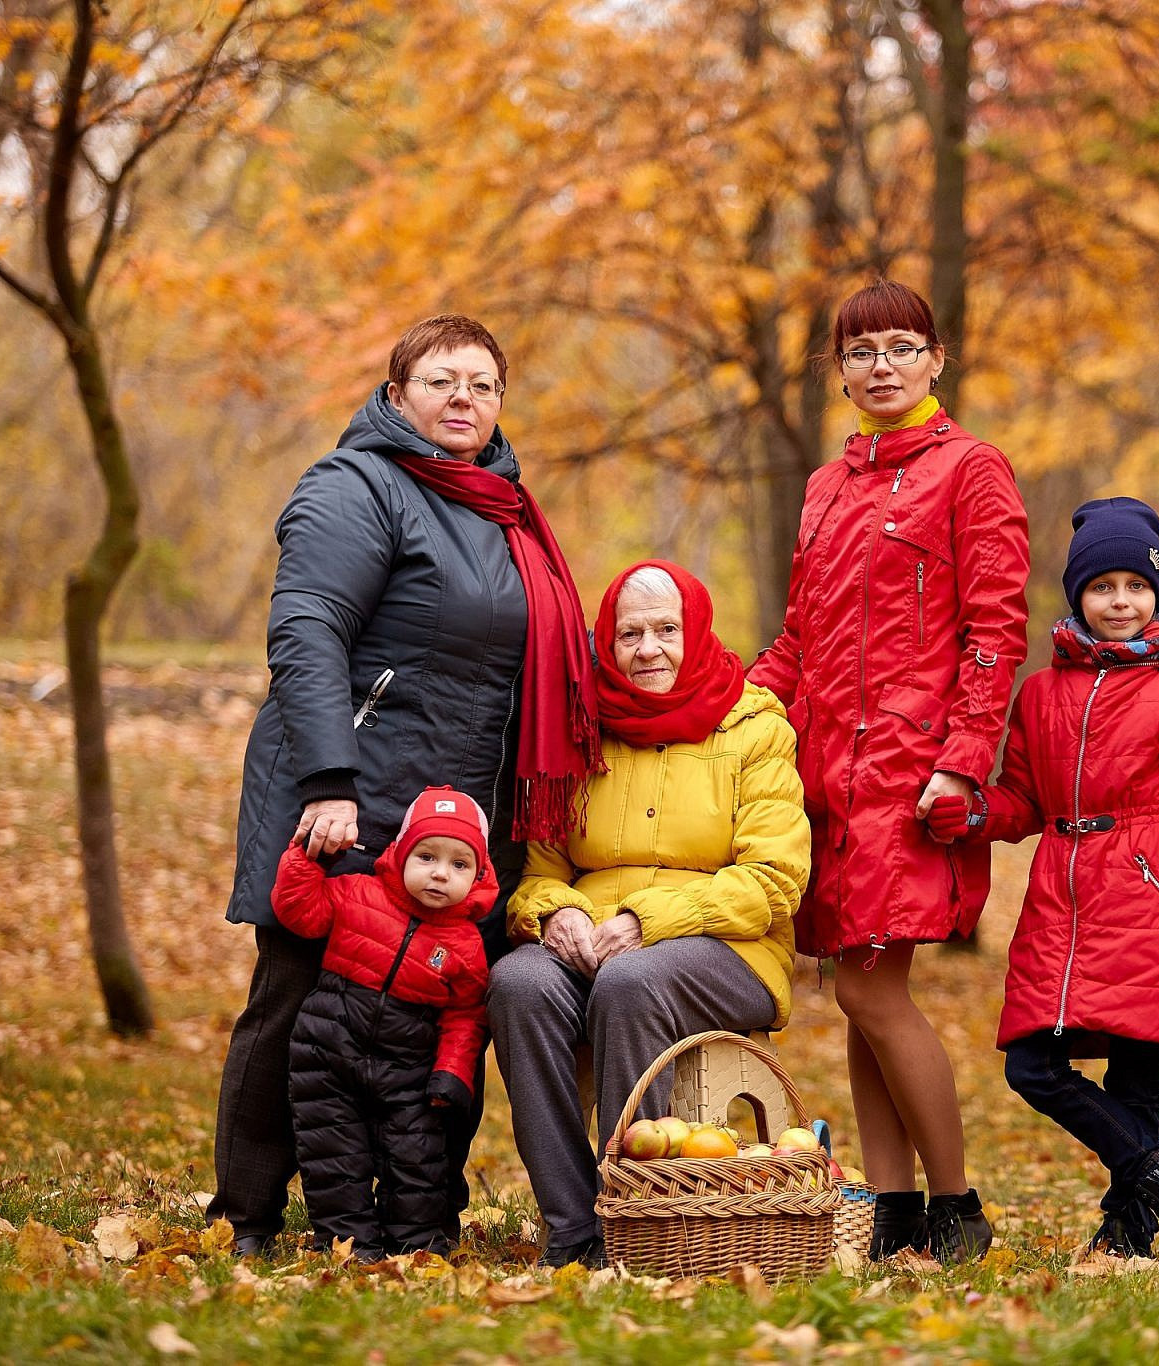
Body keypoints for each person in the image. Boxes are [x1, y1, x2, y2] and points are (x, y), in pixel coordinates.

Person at [212, 314, 601, 1257]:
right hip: (349, 800)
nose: (462, 398)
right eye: (440, 380)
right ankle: (251, 1215)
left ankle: (404, 1221)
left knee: (436, 1022)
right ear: (397, 396)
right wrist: (327, 779)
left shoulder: (503, 510)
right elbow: (307, 627)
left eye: (481, 383)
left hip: (456, 823)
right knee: (298, 1000)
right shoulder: (359, 486)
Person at [750, 280, 1030, 1262]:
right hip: (825, 777)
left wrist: (961, 764)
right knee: (853, 992)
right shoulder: (826, 489)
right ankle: (891, 1212)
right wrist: (728, 713)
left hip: (911, 779)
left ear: (936, 360)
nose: (880, 366)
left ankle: (956, 1208)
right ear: (838, 371)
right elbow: (797, 638)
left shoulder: (972, 471)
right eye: (860, 352)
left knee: (872, 989)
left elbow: (993, 633)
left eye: (901, 347)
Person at [928, 499, 1159, 1260]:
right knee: (1033, 1066)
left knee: (1138, 1070)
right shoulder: (1042, 692)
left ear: (1157, 594)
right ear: (1077, 595)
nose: (1119, 602)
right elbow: (1027, 800)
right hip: (1065, 899)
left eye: (1135, 586)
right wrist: (975, 813)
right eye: (1101, 586)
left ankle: (1130, 1226)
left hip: (1151, 891)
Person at [494, 561, 810, 1268]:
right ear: (605, 642)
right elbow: (540, 872)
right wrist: (554, 916)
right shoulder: (578, 725)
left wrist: (647, 920)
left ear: (695, 632)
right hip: (594, 939)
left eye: (666, 630)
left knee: (632, 982)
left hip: (730, 946)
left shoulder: (754, 726)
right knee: (519, 985)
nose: (648, 650)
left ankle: (637, 1225)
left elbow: (773, 881)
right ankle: (574, 1228)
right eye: (629, 633)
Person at [271, 786, 495, 1260]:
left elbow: (467, 1016)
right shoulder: (357, 893)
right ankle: (348, 1244)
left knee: (416, 1161)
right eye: (427, 856)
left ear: (478, 875)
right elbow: (300, 913)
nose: (439, 873)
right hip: (328, 1055)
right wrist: (303, 859)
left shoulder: (466, 944)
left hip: (409, 1068)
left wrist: (453, 1071)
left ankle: (414, 1247)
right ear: (400, 851)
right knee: (335, 1158)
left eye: (459, 865)